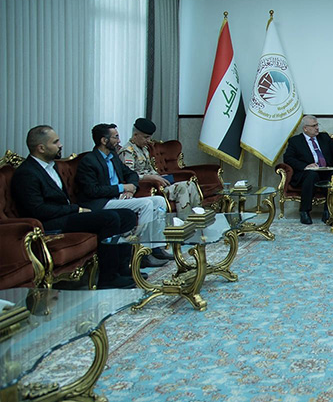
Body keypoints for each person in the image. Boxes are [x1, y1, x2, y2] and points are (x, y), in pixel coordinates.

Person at [11, 125, 138, 288]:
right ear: (41, 148)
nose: (60, 145)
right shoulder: (27, 173)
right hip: (48, 223)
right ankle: (108, 277)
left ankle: (123, 269)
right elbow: (38, 210)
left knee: (127, 215)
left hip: (66, 215)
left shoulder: (51, 166)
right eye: (55, 142)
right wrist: (75, 209)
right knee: (110, 218)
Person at [76, 123, 173, 268]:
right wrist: (121, 188)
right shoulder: (89, 161)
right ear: (104, 140)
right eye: (115, 137)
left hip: (120, 198)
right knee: (146, 204)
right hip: (102, 202)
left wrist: (131, 188)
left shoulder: (113, 157)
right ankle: (142, 253)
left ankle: (156, 248)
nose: (119, 141)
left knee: (159, 201)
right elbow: (93, 191)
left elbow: (131, 174)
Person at [118, 117, 202, 213]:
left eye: (149, 137)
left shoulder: (144, 149)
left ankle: (197, 216)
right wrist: (152, 178)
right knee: (181, 188)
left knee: (190, 185)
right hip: (147, 185)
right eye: (146, 137)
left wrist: (161, 177)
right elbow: (129, 176)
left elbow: (150, 169)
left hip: (158, 182)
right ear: (135, 135)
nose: (149, 140)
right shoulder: (128, 151)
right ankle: (185, 219)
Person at [283, 116, 333, 225]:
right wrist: (305, 166)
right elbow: (288, 158)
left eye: (317, 125)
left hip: (325, 170)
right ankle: (304, 211)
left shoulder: (324, 137)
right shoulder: (295, 141)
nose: (317, 128)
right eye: (314, 126)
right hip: (307, 172)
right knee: (311, 175)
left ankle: (329, 211)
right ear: (305, 128)